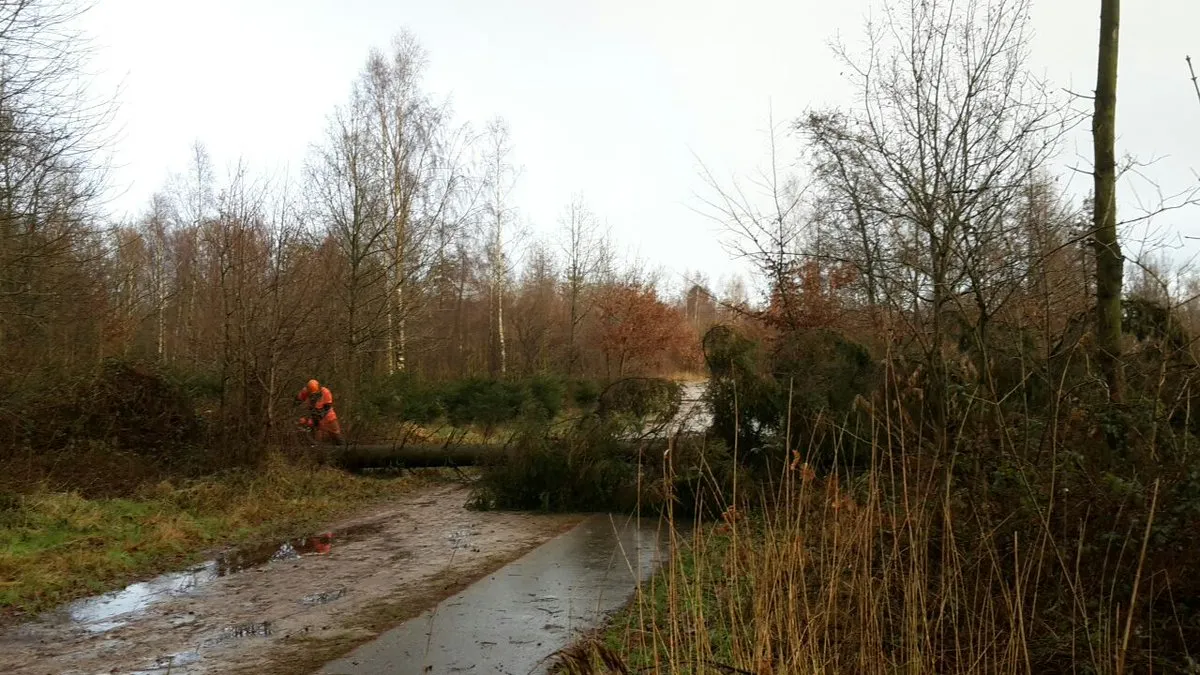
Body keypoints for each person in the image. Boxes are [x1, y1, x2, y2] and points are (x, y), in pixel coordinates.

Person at [297, 379, 344, 445]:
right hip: (313, 413)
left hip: (327, 413)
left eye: (315, 394)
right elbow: (297, 401)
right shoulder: (304, 392)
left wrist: (319, 418)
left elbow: (327, 407)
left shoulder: (326, 392)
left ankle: (342, 446)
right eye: (311, 394)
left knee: (335, 432)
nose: (313, 396)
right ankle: (317, 447)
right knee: (314, 430)